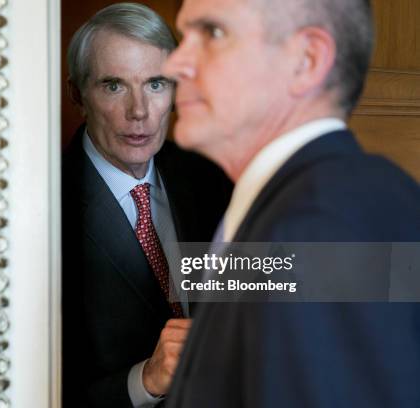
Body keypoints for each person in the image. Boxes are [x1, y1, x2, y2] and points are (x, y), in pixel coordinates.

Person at [162, 0, 420, 406]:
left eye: (212, 34)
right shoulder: (314, 203)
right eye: (183, 38)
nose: (175, 65)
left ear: (306, 61)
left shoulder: (321, 225)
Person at [61, 3, 232, 407]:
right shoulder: (42, 208)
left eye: (156, 84)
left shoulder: (210, 177)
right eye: (114, 85)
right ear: (77, 95)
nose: (139, 112)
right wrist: (146, 380)